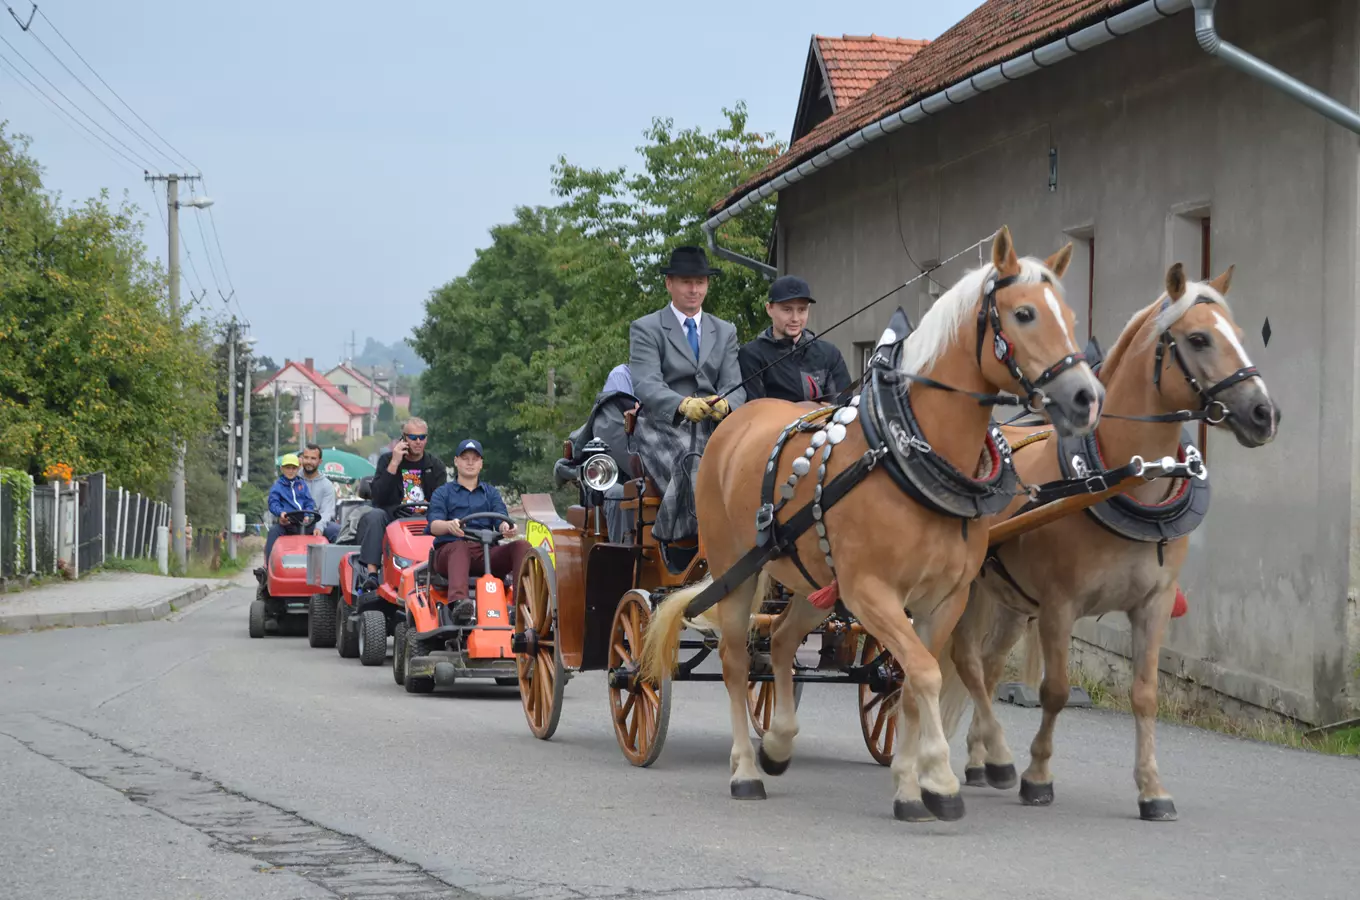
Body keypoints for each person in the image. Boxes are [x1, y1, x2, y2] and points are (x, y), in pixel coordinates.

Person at [426, 439, 528, 621]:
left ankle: (523, 604)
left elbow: (500, 517)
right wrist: (448, 525)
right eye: (465, 458)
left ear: (481, 464)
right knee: (460, 547)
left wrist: (506, 527)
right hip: (450, 552)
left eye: (475, 459)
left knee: (521, 546)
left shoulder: (491, 493)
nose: (470, 463)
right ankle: (460, 604)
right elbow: (434, 525)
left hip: (485, 552)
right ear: (456, 461)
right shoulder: (443, 493)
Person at [353, 417, 447, 592]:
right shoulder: (387, 460)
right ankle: (372, 574)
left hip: (426, 516)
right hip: (393, 515)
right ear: (403, 438)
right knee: (374, 515)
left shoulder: (435, 465)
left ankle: (441, 571)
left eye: (422, 437)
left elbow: (441, 499)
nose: (418, 442)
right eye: (413, 437)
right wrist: (394, 463)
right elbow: (378, 498)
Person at [739, 275, 852, 405]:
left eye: (802, 310)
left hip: (827, 425)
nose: (795, 318)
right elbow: (755, 409)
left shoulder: (830, 353)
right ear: (769, 309)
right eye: (787, 310)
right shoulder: (751, 355)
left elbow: (843, 405)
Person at [565, 363, 638, 543]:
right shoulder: (623, 375)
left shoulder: (673, 377)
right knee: (619, 493)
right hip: (616, 473)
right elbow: (620, 425)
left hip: (663, 466)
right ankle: (623, 561)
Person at [261, 453, 316, 567]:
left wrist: (307, 514)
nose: (291, 471)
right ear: (282, 469)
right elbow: (273, 503)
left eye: (293, 468)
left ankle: (326, 570)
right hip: (286, 523)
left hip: (304, 523)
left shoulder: (302, 484)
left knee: (322, 532)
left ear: (298, 468)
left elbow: (309, 502)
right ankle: (268, 567)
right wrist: (281, 513)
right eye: (288, 468)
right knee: (273, 532)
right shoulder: (278, 486)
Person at [298, 444, 341, 542]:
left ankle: (336, 557)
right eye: (306, 458)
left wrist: (319, 527)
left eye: (313, 458)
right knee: (275, 531)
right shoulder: (293, 479)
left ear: (320, 461)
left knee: (336, 531)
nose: (309, 461)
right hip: (294, 522)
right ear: (301, 459)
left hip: (317, 521)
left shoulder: (327, 485)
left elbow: (326, 512)